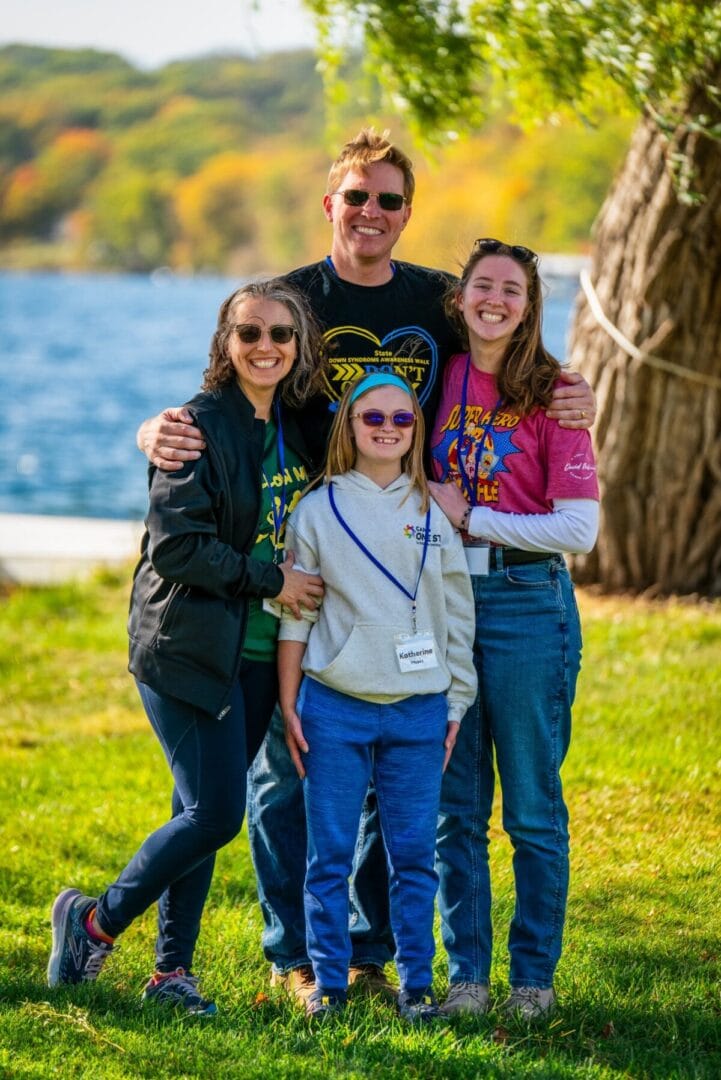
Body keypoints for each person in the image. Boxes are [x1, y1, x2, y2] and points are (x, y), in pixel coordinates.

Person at [134, 129, 597, 1006]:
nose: (371, 213)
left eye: (388, 199)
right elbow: (232, 384)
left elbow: (511, 348)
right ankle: (297, 950)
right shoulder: (292, 298)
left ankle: (373, 945)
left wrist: (573, 391)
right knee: (288, 764)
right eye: (356, 197)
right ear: (329, 204)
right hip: (301, 546)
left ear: (407, 212)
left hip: (411, 550)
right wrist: (152, 431)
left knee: (402, 759)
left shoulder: (435, 297)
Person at [47, 279, 326, 1016]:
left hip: (263, 650)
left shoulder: (297, 426)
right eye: (248, 333)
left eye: (279, 335)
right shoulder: (194, 425)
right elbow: (176, 549)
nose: (264, 346)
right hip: (188, 646)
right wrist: (274, 579)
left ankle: (172, 974)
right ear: (224, 344)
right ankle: (94, 922)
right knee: (214, 814)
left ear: (298, 347)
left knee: (196, 807)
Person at [427, 238, 600, 1020]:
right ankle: (466, 973)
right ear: (459, 297)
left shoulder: (554, 391)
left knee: (531, 806)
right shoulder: (436, 377)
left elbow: (578, 528)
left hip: (528, 604)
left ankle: (532, 977)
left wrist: (477, 517)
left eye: (511, 290)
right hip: (443, 609)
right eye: (482, 286)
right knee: (454, 806)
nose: (494, 300)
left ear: (529, 306)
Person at [278, 372, 477, 1021]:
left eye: (402, 420)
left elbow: (455, 611)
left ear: (414, 430)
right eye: (374, 419)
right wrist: (289, 704)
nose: (389, 429)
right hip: (333, 706)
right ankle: (329, 986)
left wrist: (453, 703)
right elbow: (296, 617)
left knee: (415, 855)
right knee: (330, 853)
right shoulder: (317, 509)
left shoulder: (432, 511)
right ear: (350, 427)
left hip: (419, 709)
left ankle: (418, 987)